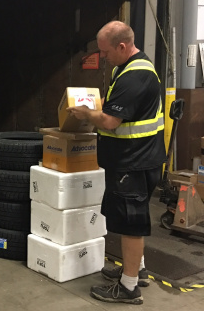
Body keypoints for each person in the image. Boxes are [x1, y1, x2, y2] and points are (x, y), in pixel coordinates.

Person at [67, 21, 166, 305]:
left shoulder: (134, 77)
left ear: (122, 47)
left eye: (106, 52)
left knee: (132, 223)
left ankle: (129, 287)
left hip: (134, 162)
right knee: (128, 219)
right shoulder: (128, 67)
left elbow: (111, 120)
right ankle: (139, 269)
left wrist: (86, 113)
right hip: (134, 159)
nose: (104, 58)